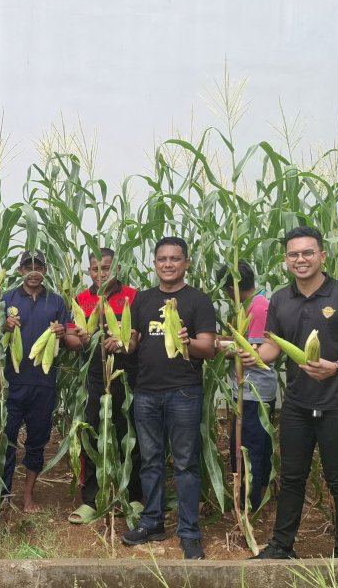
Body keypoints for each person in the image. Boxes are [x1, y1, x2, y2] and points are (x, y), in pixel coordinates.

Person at [244, 226, 338, 559]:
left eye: (307, 253)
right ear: (286, 260)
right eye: (293, 254)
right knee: (291, 478)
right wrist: (255, 356)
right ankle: (281, 546)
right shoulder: (281, 300)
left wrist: (337, 367)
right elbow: (274, 345)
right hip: (297, 406)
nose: (300, 260)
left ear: (322, 256)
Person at [121, 237, 216, 560]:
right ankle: (152, 522)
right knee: (149, 462)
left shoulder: (198, 301)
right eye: (162, 259)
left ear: (186, 263)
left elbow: (209, 348)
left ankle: (189, 532)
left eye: (175, 259)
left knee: (186, 463)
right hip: (146, 391)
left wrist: (188, 342)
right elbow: (132, 345)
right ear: (154, 263)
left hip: (184, 391)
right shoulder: (143, 300)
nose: (168, 264)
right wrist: (124, 341)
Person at [1, 250, 81, 512]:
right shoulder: (7, 299)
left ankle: (28, 496)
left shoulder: (56, 302)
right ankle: (1, 496)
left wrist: (62, 332)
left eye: (38, 266)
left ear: (45, 271)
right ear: (21, 270)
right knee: (6, 440)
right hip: (13, 382)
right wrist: (4, 326)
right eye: (28, 266)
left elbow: (71, 341)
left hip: (44, 382)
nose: (33, 271)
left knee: (37, 440)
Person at [68, 247, 142, 524]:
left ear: (117, 269)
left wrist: (124, 341)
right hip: (94, 379)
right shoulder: (82, 299)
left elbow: (139, 337)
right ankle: (92, 498)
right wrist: (83, 339)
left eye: (107, 268)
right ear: (89, 271)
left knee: (129, 436)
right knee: (92, 436)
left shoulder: (132, 297)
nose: (101, 273)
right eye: (96, 269)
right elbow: (71, 341)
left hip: (126, 377)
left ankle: (133, 496)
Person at [215, 260, 278, 512]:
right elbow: (244, 340)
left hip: (255, 391)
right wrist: (223, 339)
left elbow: (253, 351)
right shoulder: (255, 303)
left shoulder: (259, 307)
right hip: (248, 390)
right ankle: (251, 494)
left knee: (249, 447)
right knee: (249, 443)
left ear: (231, 289)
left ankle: (250, 500)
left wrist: (214, 346)